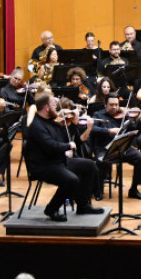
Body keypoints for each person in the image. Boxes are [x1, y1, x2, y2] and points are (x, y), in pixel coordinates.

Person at [25, 90, 104, 219]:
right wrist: (68, 146)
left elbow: (63, 138)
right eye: (53, 105)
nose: (56, 108)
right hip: (43, 166)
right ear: (46, 108)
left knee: (90, 165)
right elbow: (50, 146)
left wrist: (70, 124)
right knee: (71, 180)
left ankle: (83, 206)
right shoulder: (37, 126)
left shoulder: (51, 121)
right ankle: (51, 209)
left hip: (58, 161)